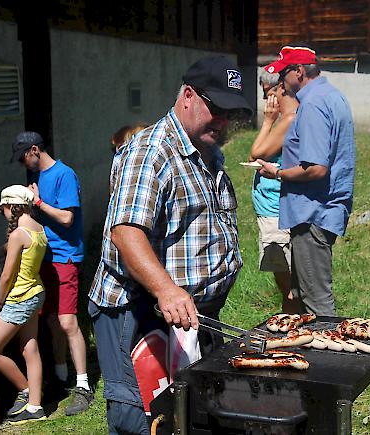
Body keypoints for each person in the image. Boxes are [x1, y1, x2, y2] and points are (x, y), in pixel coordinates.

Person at [89, 55, 251, 434]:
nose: (224, 121)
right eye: (218, 109)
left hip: (188, 316)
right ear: (189, 96)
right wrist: (165, 289)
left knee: (190, 414)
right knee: (147, 420)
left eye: (231, 113)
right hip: (140, 311)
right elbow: (126, 233)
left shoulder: (208, 151)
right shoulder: (151, 151)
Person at [258, 44, 356, 317]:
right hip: (321, 209)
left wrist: (276, 173)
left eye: (283, 73)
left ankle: (331, 358)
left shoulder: (312, 104)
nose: (280, 81)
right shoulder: (333, 96)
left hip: (313, 213)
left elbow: (315, 169)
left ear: (299, 71)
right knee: (302, 296)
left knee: (317, 305)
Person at [10, 131, 92, 415]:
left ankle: (83, 385)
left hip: (65, 257)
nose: (23, 163)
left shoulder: (64, 175)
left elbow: (68, 218)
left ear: (35, 149)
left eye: (24, 157)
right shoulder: (38, 179)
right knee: (52, 323)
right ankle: (61, 378)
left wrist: (39, 203)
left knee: (68, 322)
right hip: (45, 257)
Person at [0, 185, 48, 424]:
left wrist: (0, 301)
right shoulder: (38, 230)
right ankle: (35, 405)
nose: (3, 213)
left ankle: (26, 391)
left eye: (3, 209)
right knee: (30, 349)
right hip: (35, 293)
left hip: (19, 299)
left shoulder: (18, 234)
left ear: (11, 207)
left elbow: (6, 275)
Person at [250, 72, 299, 313]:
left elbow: (256, 154)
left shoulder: (287, 120)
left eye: (269, 95)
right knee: (286, 280)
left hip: (276, 209)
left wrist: (268, 120)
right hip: (273, 207)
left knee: (288, 283)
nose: (267, 102)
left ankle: (293, 325)